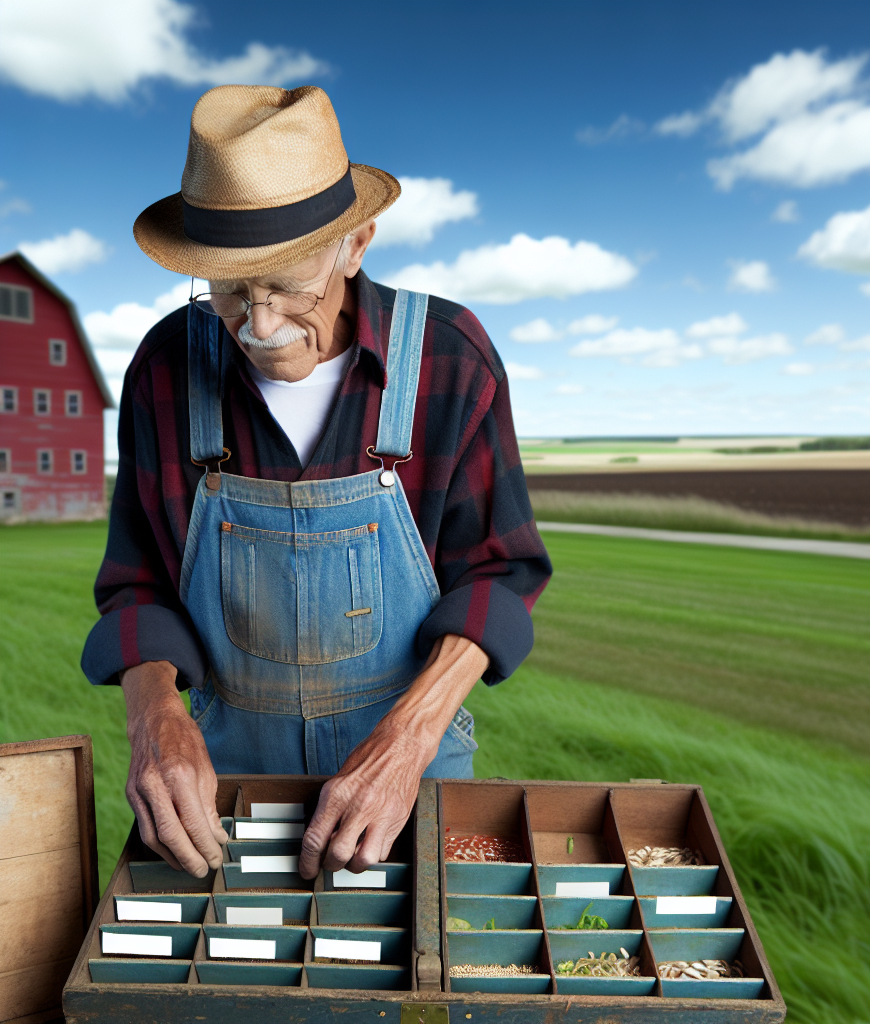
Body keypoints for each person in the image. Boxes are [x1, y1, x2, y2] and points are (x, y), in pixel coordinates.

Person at [81, 85, 551, 883]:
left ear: (355, 244)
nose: (260, 328)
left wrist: (408, 741)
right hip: (223, 785)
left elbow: (499, 573)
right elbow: (137, 585)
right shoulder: (166, 366)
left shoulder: (449, 356)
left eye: (288, 286)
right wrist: (154, 718)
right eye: (230, 291)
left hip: (411, 769)